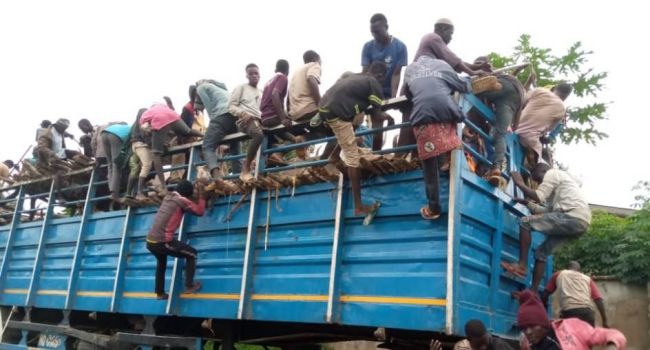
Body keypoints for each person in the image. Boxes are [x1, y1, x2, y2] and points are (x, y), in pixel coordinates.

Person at [319, 62, 392, 224]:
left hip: (325, 108)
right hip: (337, 113)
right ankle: (359, 206)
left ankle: (334, 155)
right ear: (381, 76)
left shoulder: (357, 77)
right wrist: (389, 118)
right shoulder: (374, 84)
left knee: (350, 126)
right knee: (352, 158)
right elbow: (377, 117)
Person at [502, 163, 592, 291]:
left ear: (544, 170)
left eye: (538, 179)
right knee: (541, 253)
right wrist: (527, 203)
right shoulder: (562, 188)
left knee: (525, 222)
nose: (539, 182)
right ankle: (533, 292)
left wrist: (520, 184)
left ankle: (522, 265)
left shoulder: (553, 173)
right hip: (581, 223)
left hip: (570, 216)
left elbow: (539, 196)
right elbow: (546, 212)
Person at [403, 55, 469, 220]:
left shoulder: (410, 69)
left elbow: (407, 93)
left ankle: (434, 207)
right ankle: (449, 156)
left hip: (422, 116)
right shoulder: (443, 64)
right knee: (452, 130)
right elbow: (464, 85)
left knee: (429, 165)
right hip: (447, 113)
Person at [146, 180, 205, 300]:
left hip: (150, 241)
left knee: (161, 263)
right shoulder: (182, 201)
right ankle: (189, 286)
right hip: (162, 242)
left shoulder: (168, 197)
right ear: (187, 194)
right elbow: (200, 211)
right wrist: (202, 196)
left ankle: (160, 293)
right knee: (192, 254)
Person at [472, 56, 526, 185]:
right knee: (499, 133)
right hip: (515, 97)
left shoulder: (484, 69)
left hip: (502, 86)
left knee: (470, 89)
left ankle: (494, 87)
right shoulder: (502, 72)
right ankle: (496, 168)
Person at [517, 290, 626, 350]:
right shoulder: (527, 345)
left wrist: (612, 346)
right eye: (524, 328)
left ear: (542, 322)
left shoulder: (571, 327)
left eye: (532, 326)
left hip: (579, 311)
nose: (528, 332)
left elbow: (614, 334)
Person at [140, 103, 204, 194]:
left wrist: (151, 137)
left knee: (156, 155)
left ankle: (163, 186)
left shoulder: (146, 114)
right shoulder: (166, 108)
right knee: (188, 131)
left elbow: (145, 129)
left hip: (159, 121)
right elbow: (178, 131)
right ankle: (205, 136)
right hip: (173, 117)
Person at [195, 79, 242, 180]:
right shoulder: (222, 89)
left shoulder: (201, 87)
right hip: (235, 115)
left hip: (220, 115)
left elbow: (210, 109)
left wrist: (212, 131)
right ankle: (238, 178)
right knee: (235, 147)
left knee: (207, 147)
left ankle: (217, 177)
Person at [514, 84, 573, 163]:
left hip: (513, 128)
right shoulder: (562, 109)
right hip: (529, 139)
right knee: (540, 163)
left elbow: (521, 101)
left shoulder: (539, 90)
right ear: (566, 97)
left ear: (554, 88)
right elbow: (549, 129)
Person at [541, 261, 608, 327]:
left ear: (568, 268)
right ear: (579, 271)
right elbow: (598, 299)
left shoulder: (559, 274)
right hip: (588, 314)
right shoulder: (587, 279)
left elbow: (544, 295)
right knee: (588, 337)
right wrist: (605, 321)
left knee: (570, 337)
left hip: (570, 312)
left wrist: (543, 312)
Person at [414, 18, 490, 76]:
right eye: (451, 33)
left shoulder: (431, 39)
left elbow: (458, 62)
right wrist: (472, 73)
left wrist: (478, 66)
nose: (451, 37)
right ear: (443, 29)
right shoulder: (434, 37)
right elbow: (454, 60)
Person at [228, 63, 264, 182]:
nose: (254, 76)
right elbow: (231, 106)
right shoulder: (241, 88)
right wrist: (242, 113)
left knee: (278, 131)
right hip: (246, 120)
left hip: (260, 120)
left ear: (259, 75)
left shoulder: (261, 91)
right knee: (258, 135)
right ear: (247, 76)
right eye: (251, 74)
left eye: (256, 73)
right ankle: (245, 169)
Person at [361, 13, 408, 99]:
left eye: (377, 32)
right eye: (372, 32)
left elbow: (396, 74)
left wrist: (394, 98)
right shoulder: (367, 47)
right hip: (371, 91)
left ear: (386, 27)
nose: (375, 35)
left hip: (387, 92)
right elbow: (365, 73)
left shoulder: (400, 47)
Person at [288, 50, 322, 122]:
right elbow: (311, 79)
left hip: (295, 115)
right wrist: (320, 105)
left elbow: (288, 95)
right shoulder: (315, 64)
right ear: (316, 59)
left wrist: (290, 113)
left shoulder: (296, 73)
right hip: (309, 109)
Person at [100, 123, 131, 201]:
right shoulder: (131, 128)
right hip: (116, 136)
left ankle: (111, 190)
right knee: (116, 166)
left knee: (110, 164)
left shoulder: (122, 127)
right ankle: (114, 195)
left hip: (104, 133)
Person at [125, 108, 151, 200]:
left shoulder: (134, 124)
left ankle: (128, 193)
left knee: (135, 169)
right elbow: (146, 136)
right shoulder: (143, 123)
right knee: (147, 165)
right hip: (141, 145)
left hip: (134, 146)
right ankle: (139, 192)